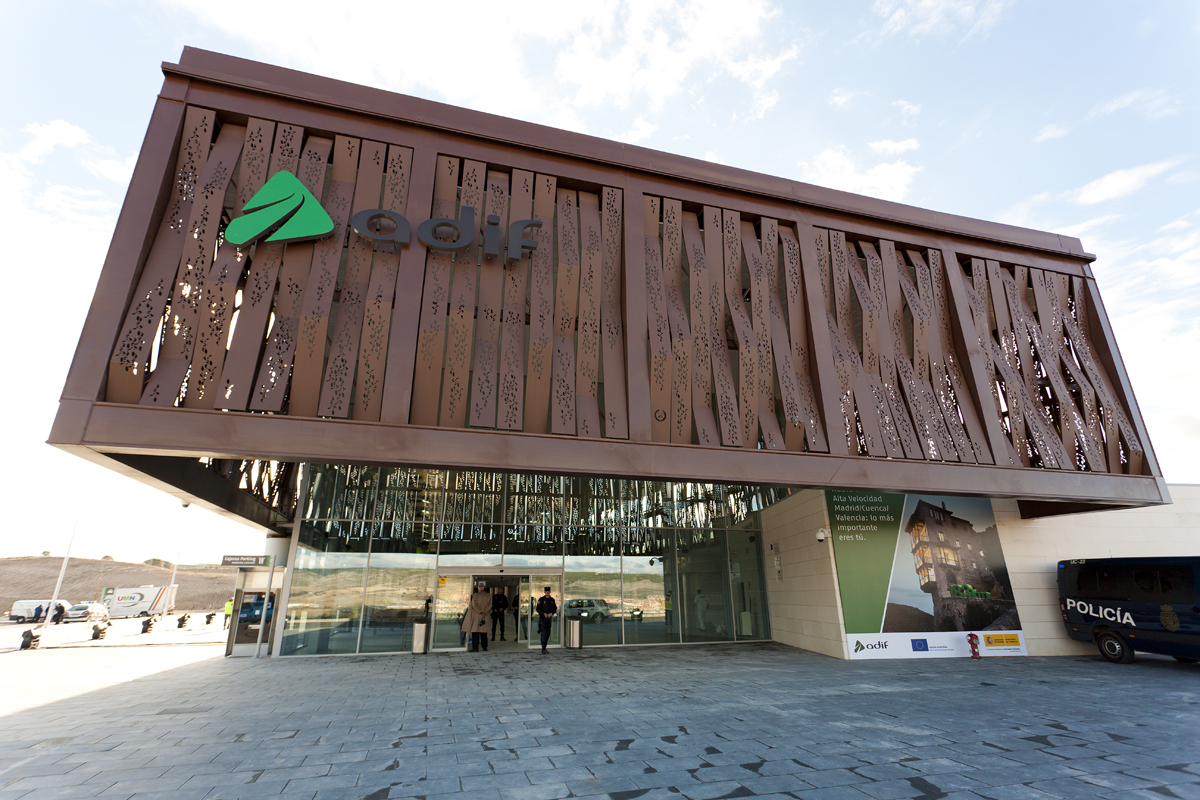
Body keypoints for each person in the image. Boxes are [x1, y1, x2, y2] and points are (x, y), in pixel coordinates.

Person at [461, 581, 492, 652]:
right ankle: (485, 647)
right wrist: (485, 611)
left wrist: (480, 611)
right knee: (484, 633)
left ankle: (475, 648)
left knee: (475, 632)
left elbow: (474, 605)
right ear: (484, 588)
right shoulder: (488, 595)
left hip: (477, 616)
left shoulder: (476, 595)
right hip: (485, 616)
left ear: (478, 589)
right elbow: (490, 605)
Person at [535, 586, 557, 653]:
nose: (547, 592)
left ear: (550, 592)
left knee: (548, 633)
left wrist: (551, 613)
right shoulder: (541, 599)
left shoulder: (552, 600)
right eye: (546, 591)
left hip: (549, 619)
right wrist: (543, 613)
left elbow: (555, 609)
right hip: (543, 619)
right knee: (544, 633)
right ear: (544, 592)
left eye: (548, 591)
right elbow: (538, 609)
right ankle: (543, 647)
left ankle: (545, 646)